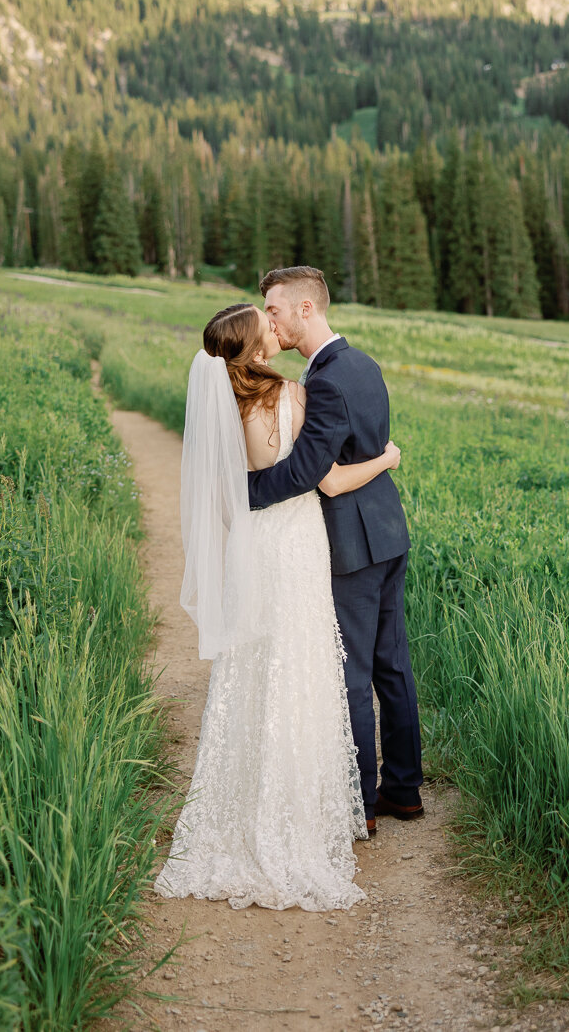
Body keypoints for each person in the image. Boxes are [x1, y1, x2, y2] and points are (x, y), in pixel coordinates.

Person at [154, 302, 401, 911]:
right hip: (294, 545)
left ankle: (240, 807)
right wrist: (390, 457)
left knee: (251, 666)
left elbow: (226, 490)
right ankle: (300, 811)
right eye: (267, 326)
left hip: (252, 547)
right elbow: (324, 478)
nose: (276, 327)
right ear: (259, 349)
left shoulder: (225, 406)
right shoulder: (293, 395)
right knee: (302, 667)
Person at [247, 266, 424, 835]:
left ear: (305, 309)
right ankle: (405, 790)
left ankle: (362, 805)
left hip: (351, 543)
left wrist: (241, 492)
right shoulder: (364, 363)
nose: (267, 319)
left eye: (274, 309)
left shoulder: (324, 379)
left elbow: (306, 472)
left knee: (350, 670)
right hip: (389, 531)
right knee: (392, 664)